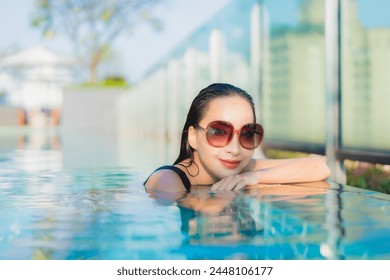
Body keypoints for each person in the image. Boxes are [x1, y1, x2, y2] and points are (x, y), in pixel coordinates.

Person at [144, 83, 330, 192]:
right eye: (218, 131)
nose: (234, 149)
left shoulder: (239, 168)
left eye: (247, 134)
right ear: (193, 137)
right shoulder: (167, 180)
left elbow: (319, 167)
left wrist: (254, 178)